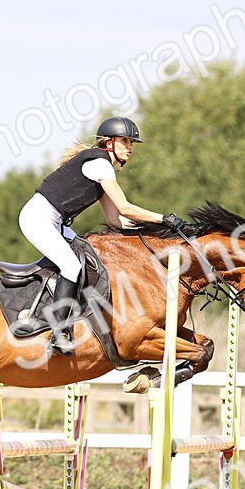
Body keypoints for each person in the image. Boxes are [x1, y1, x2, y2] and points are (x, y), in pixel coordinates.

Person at [15, 116, 180, 355]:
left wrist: (152, 231)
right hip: (38, 219)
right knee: (71, 265)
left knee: (89, 257)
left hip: (54, 221)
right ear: (108, 142)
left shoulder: (102, 168)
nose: (130, 147)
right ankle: (58, 332)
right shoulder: (100, 164)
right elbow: (125, 208)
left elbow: (116, 220)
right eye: (125, 141)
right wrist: (162, 218)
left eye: (132, 143)